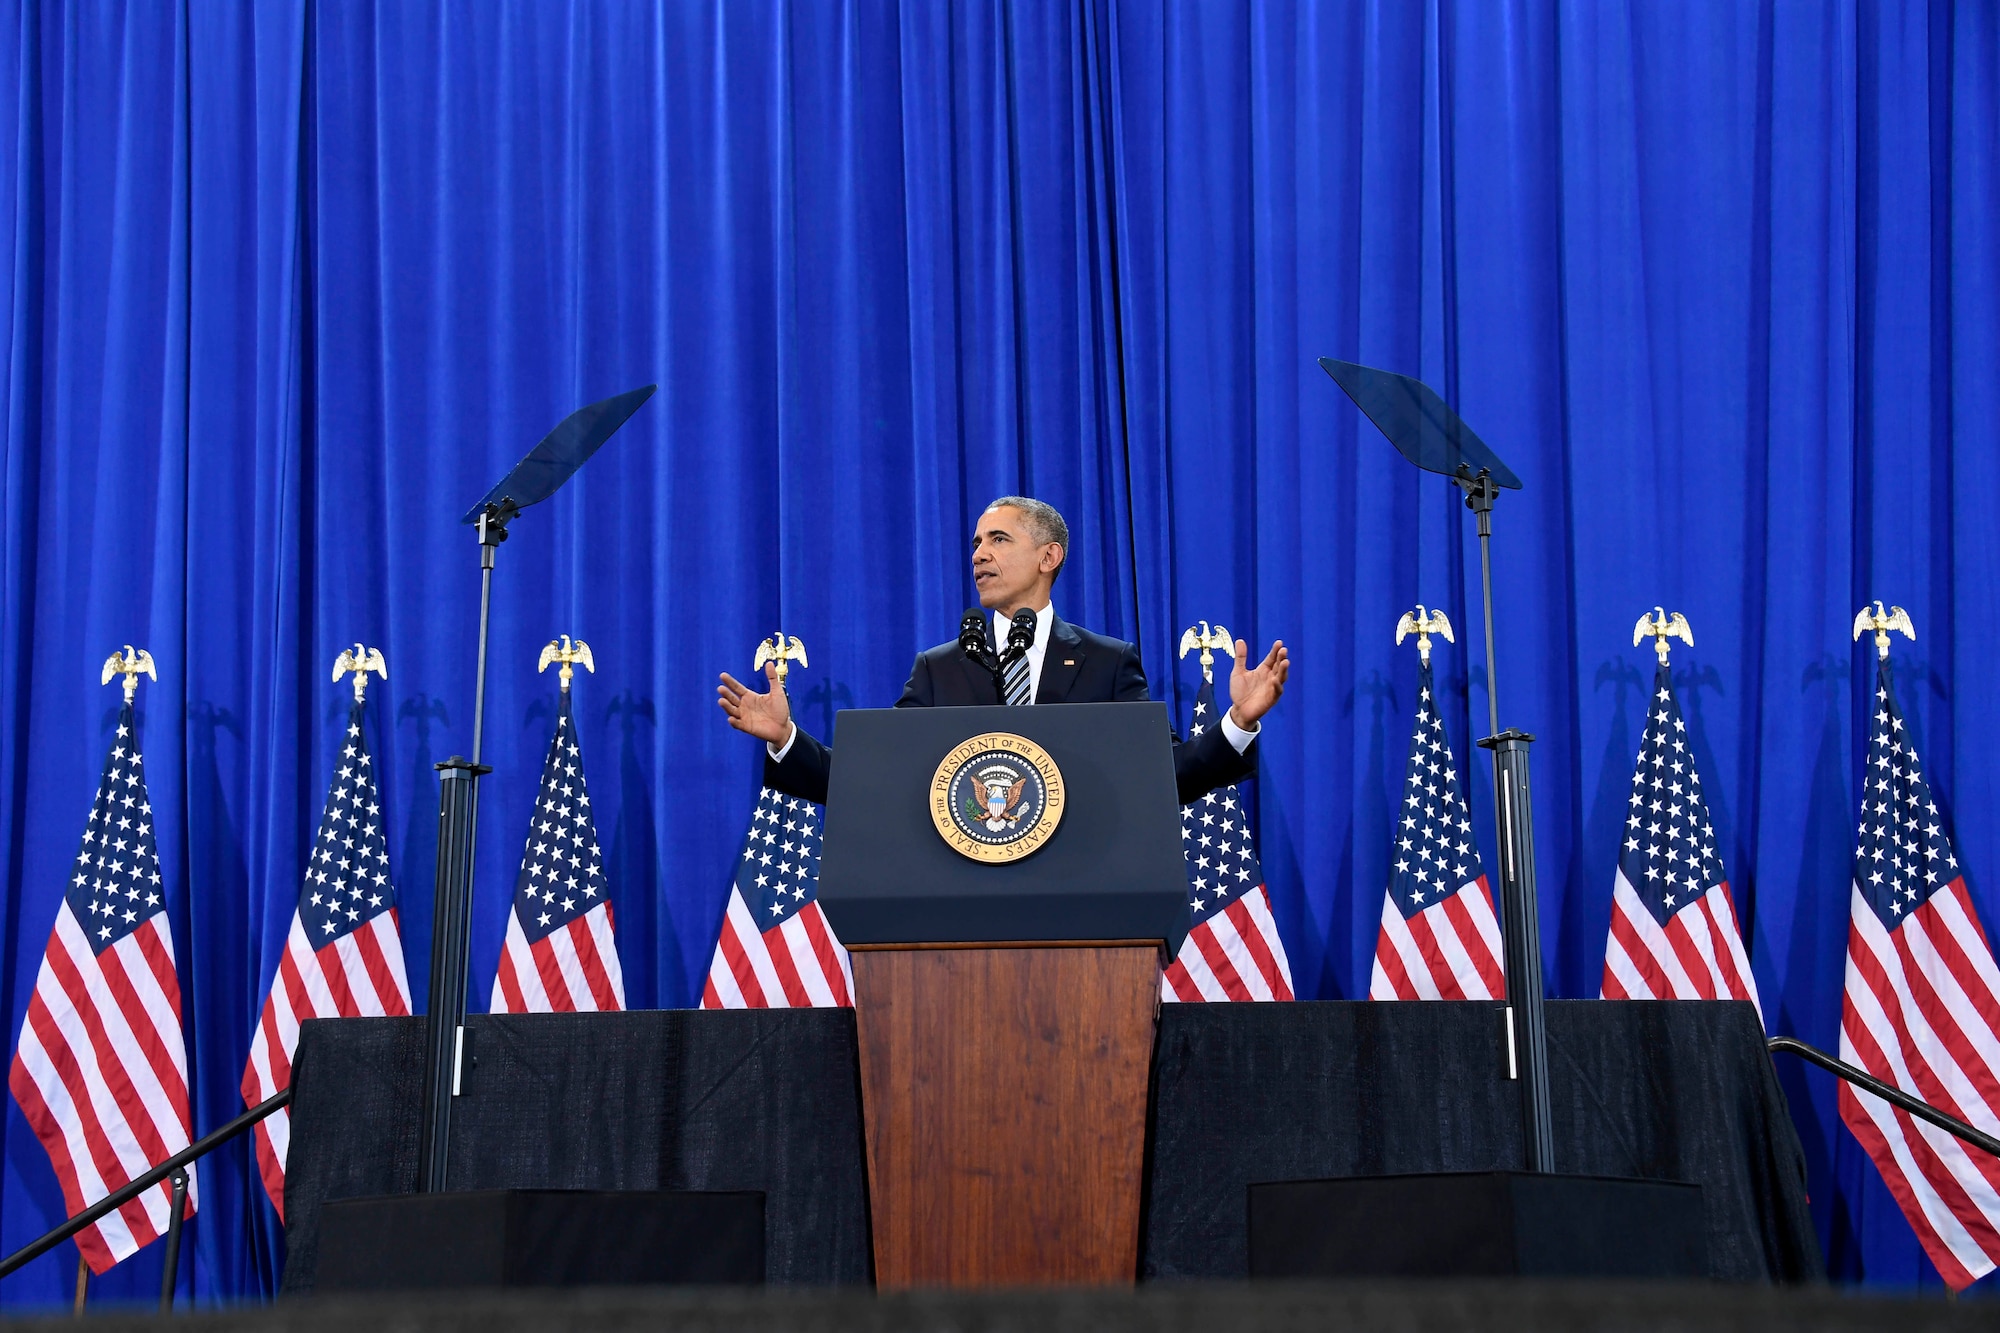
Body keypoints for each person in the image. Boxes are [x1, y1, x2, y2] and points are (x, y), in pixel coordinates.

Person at [717, 496, 1290, 805]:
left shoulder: (1107, 661)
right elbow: (876, 779)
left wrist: (1237, 722)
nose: (978, 555)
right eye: (975, 544)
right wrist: (787, 742)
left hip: (1081, 902)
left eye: (998, 539)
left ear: (1049, 557)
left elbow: (1166, 776)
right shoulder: (940, 668)